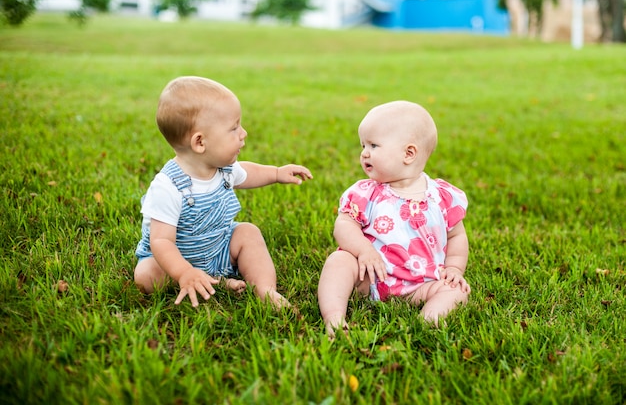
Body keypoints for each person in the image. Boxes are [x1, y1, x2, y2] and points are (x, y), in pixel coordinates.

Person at [135, 76, 313, 309]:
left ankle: (265, 289)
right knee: (146, 275)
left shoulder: (224, 169)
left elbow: (248, 173)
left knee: (248, 233)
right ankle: (209, 281)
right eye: (234, 128)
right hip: (175, 259)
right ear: (200, 142)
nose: (243, 133)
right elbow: (161, 241)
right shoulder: (168, 187)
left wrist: (277, 173)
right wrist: (184, 272)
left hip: (218, 247)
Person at [318, 100, 470, 337]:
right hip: (371, 278)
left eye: (374, 145)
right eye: (363, 145)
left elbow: (457, 235)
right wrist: (363, 250)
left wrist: (454, 268)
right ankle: (334, 318)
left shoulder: (441, 196)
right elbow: (344, 224)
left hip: (422, 285)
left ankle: (427, 323)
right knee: (339, 261)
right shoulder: (367, 192)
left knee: (457, 290)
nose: (364, 153)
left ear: (408, 153)